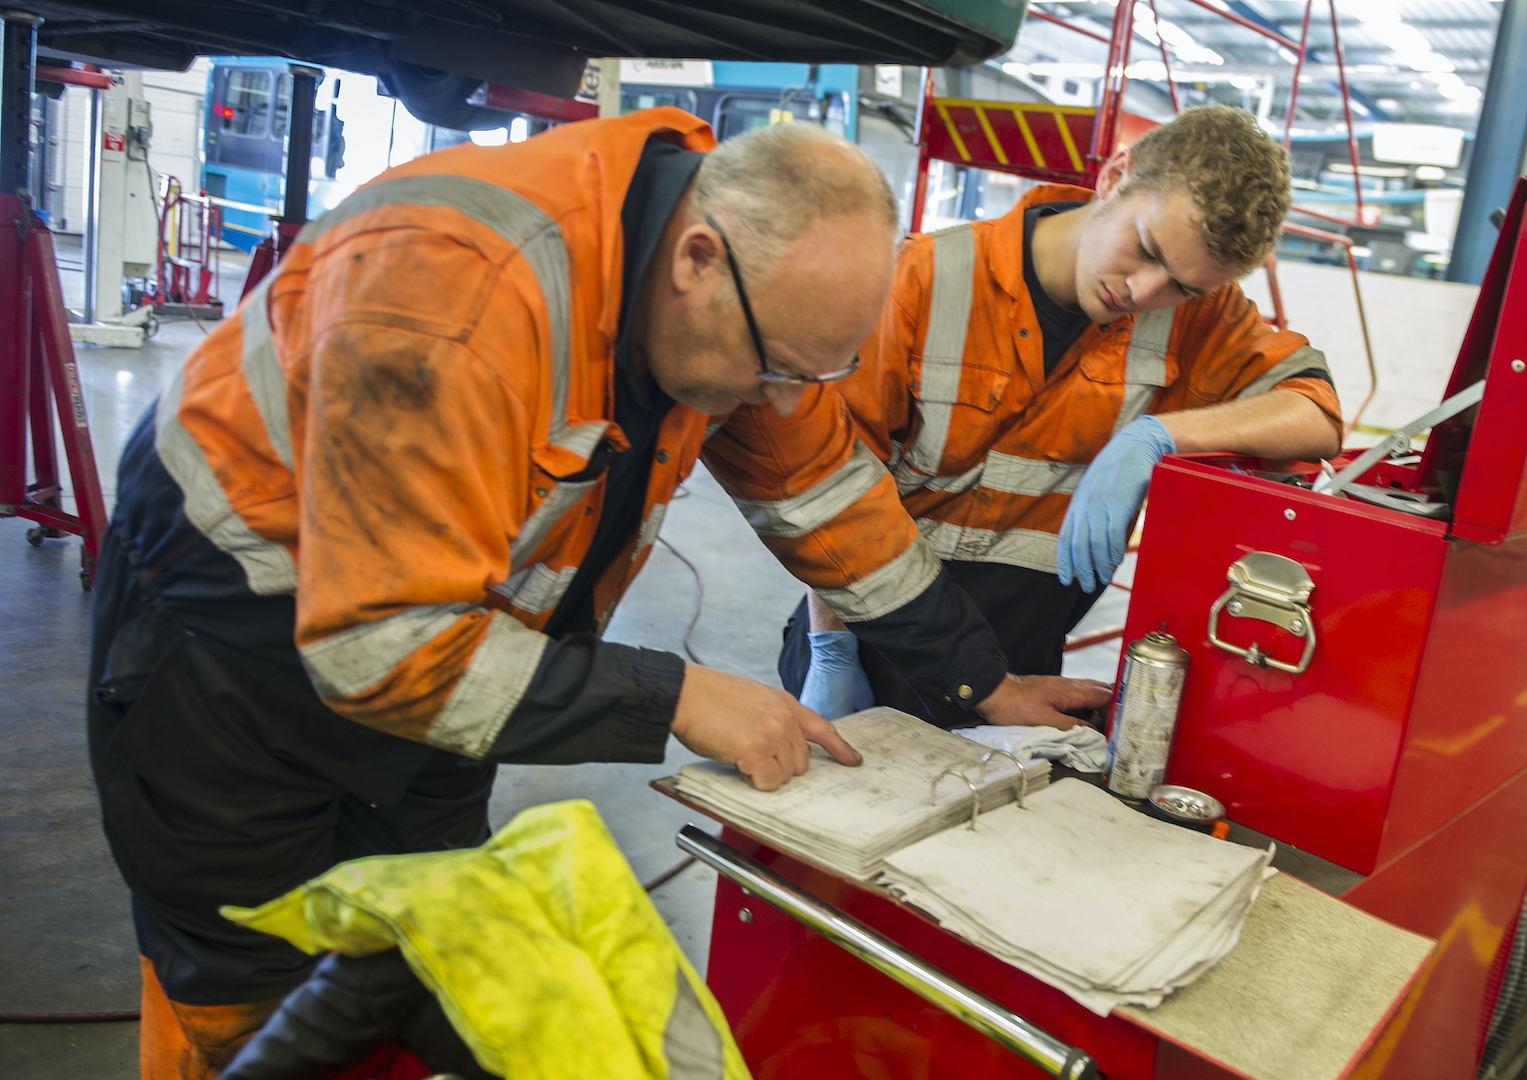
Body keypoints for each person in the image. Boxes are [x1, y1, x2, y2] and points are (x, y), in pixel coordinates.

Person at [89, 111, 1095, 1080]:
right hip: (230, 652)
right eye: (777, 367)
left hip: (461, 647)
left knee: (439, 947)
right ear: (699, 258)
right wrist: (677, 698)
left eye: (812, 372)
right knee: (253, 1001)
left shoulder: (730, 306)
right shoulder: (453, 294)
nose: (781, 399)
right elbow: (377, 647)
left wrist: (979, 680)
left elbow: (824, 491)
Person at [707, 105, 1342, 728]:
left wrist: (1160, 435)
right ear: (1115, 176)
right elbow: (834, 483)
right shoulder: (925, 280)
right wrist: (831, 651)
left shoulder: (1199, 318)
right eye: (1145, 249)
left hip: (1022, 671)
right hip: (872, 645)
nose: (1145, 293)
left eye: (1183, 285)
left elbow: (1314, 410)